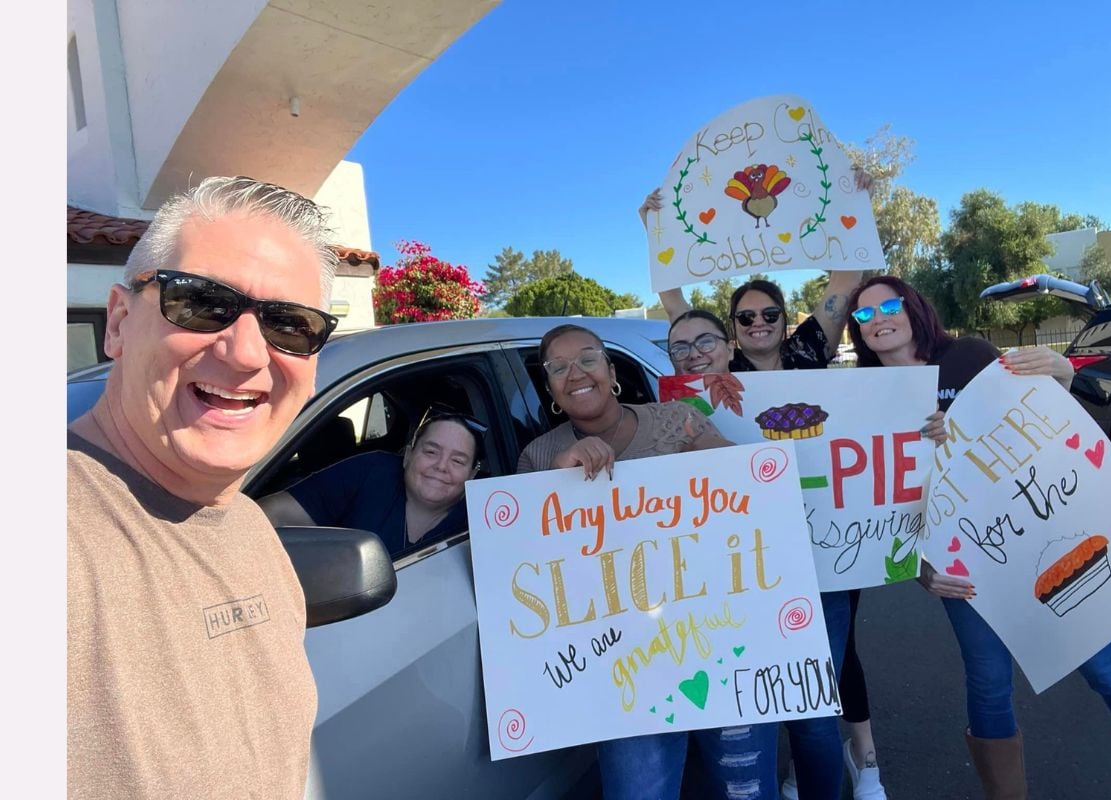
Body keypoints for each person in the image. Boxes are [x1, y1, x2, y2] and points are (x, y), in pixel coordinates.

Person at [67, 176, 340, 799]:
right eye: (199, 303)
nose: (246, 353)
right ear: (117, 322)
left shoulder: (247, 523)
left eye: (289, 324)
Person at [646, 172, 892, 800]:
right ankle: (818, 766)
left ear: (785, 320)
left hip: (824, 544)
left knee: (821, 685)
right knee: (778, 680)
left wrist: (853, 203)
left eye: (768, 313)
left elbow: (843, 283)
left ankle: (847, 763)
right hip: (743, 562)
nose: (757, 322)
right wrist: (657, 232)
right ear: (731, 330)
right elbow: (683, 322)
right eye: (744, 316)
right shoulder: (703, 376)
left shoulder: (811, 348)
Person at [845, 274, 1111, 800]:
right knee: (987, 679)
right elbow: (879, 502)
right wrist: (921, 568)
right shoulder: (867, 400)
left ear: (913, 308)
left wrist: (1062, 371)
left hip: (1039, 533)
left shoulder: (971, 355)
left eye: (887, 306)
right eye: (863, 315)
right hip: (961, 559)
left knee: (1105, 666)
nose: (877, 320)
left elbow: (1046, 415)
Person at [519, 322, 780, 800]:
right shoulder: (539, 457)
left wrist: (713, 456)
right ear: (551, 387)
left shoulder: (676, 419)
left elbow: (752, 490)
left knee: (746, 790)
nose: (575, 372)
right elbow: (528, 568)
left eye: (588, 359)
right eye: (558, 367)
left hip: (719, 640)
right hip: (625, 670)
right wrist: (554, 482)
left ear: (611, 369)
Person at [258, 406, 484, 558]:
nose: (442, 466)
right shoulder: (371, 472)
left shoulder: (485, 519)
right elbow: (272, 514)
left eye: (457, 460)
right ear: (407, 455)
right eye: (431, 452)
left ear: (472, 476)